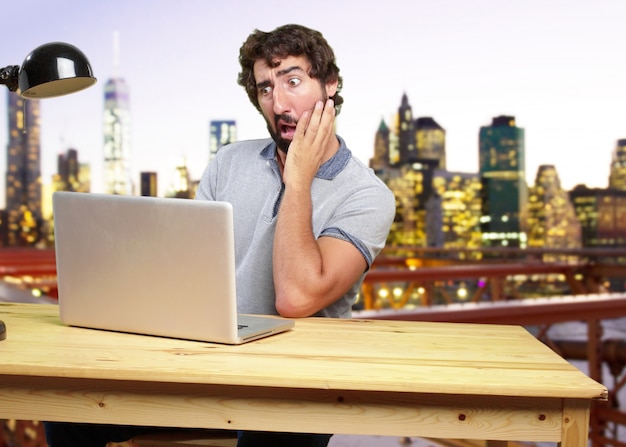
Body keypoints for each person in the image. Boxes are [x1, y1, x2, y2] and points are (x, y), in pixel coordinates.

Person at [44, 23, 395, 447]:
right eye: (265, 89)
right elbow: (186, 272)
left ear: (331, 85)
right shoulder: (228, 163)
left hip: (300, 381)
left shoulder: (368, 196)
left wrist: (299, 178)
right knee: (66, 409)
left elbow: (296, 299)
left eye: (293, 81)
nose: (279, 102)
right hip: (209, 361)